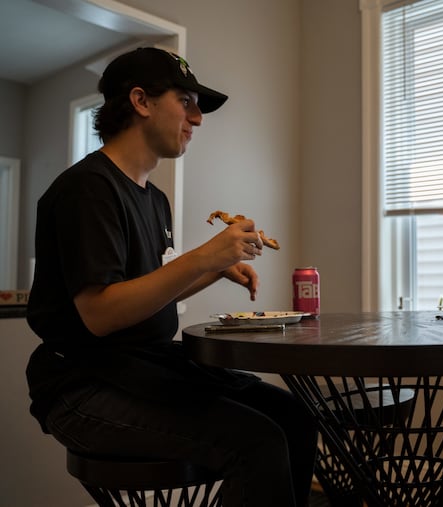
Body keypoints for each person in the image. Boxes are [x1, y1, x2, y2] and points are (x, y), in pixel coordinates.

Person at [25, 47, 317, 507]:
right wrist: (203, 258)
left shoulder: (154, 199)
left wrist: (216, 269)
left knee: (294, 416)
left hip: (145, 367)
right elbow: (101, 314)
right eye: (186, 101)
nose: (198, 118)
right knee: (257, 441)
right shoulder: (87, 190)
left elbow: (148, 291)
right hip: (82, 384)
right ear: (140, 101)